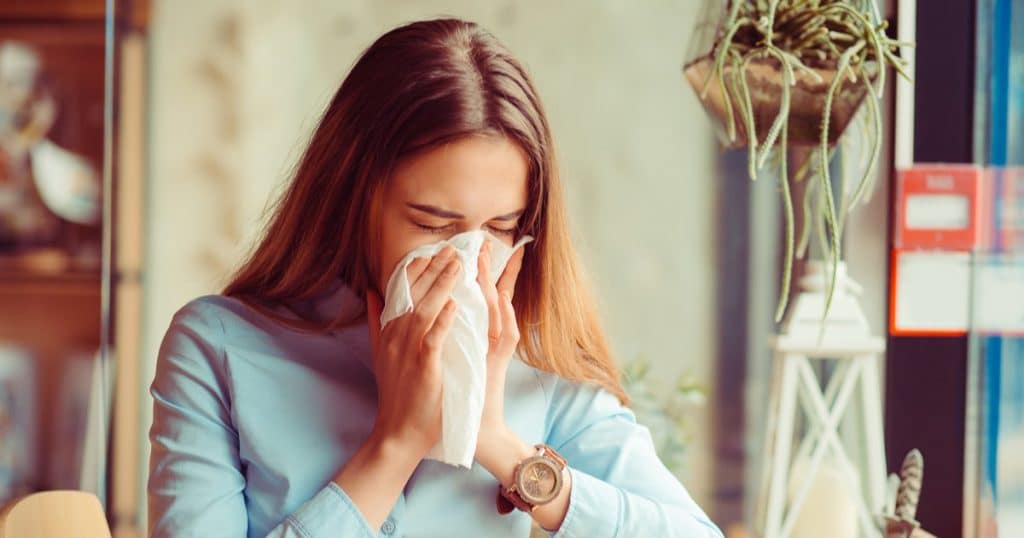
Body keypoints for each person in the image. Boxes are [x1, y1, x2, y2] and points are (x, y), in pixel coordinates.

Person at [147, 18, 722, 538]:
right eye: (432, 223)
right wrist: (393, 447)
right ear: (352, 199)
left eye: (500, 227)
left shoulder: (538, 366)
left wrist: (499, 444)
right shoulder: (218, 348)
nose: (469, 261)